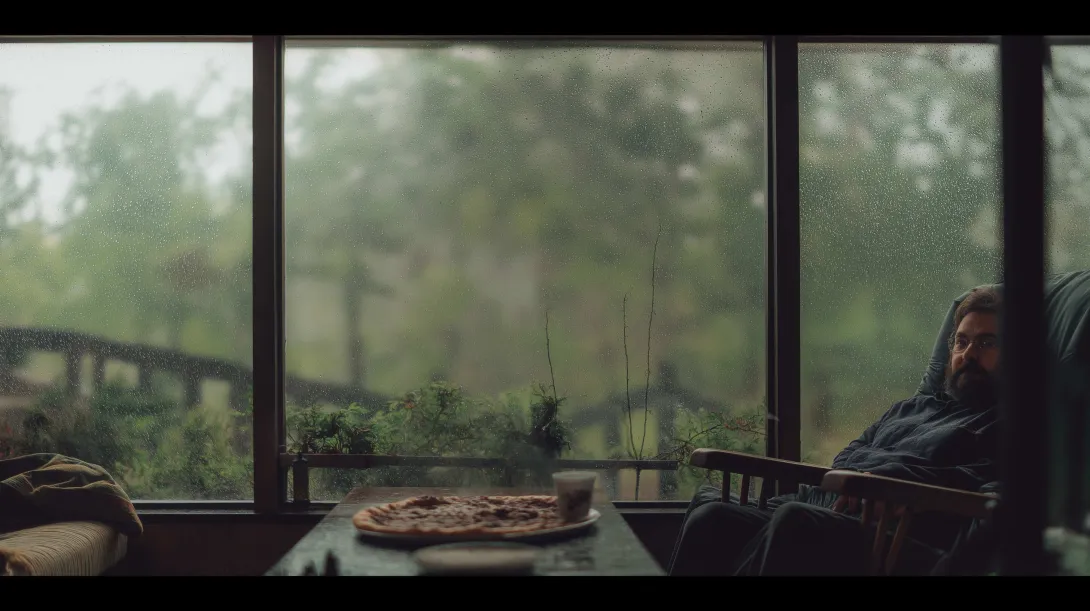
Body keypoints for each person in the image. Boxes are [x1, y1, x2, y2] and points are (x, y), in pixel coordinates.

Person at [669, 287, 1002, 575]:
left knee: (794, 521)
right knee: (711, 515)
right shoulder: (910, 408)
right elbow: (847, 455)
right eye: (962, 341)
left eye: (987, 343)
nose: (969, 353)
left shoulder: (1004, 425)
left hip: (892, 538)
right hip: (827, 506)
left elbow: (993, 498)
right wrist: (862, 478)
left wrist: (901, 486)